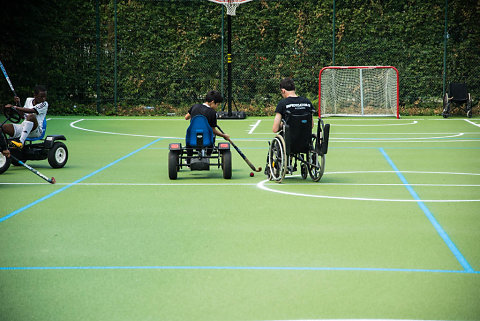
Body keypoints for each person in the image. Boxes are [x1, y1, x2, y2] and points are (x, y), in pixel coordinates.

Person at [1, 85, 48, 149]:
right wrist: (18, 103)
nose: (43, 99)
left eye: (45, 97)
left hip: (36, 131)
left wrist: (16, 107)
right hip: (24, 127)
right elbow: (23, 116)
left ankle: (21, 142)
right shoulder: (28, 100)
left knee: (31, 116)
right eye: (41, 97)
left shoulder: (44, 104)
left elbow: (31, 111)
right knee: (3, 127)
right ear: (35, 95)